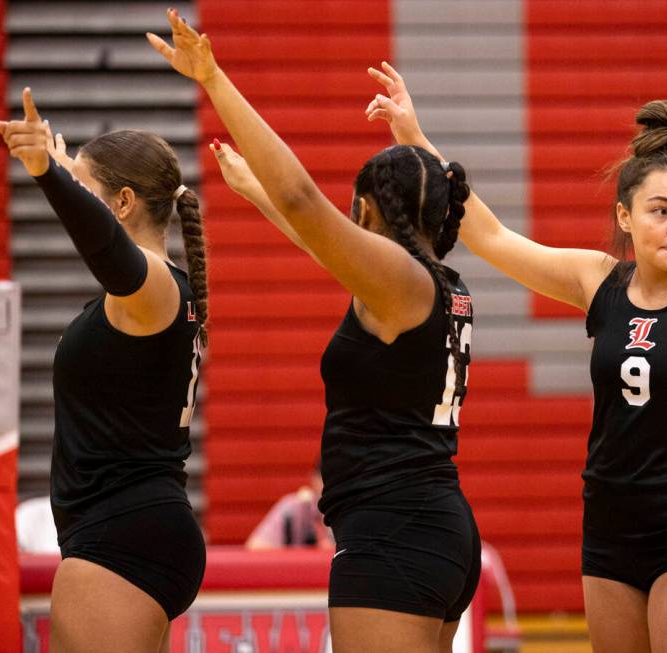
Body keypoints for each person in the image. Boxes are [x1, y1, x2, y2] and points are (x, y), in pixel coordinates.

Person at [365, 63, 667, 652]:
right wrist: (414, 136)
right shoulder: (600, 282)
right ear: (625, 215)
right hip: (610, 532)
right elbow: (490, 236)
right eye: (661, 210)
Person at [148, 11, 480, 653]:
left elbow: (307, 205)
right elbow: (319, 237)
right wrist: (257, 198)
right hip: (429, 524)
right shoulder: (440, 284)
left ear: (364, 210)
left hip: (395, 535)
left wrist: (214, 79)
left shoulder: (402, 278)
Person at [0, 89, 207, 652]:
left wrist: (46, 172)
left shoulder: (154, 286)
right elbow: (104, 232)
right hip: (134, 530)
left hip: (122, 539)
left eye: (87, 191)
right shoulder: (150, 296)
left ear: (123, 203)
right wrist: (62, 165)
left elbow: (105, 246)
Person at [245, 460, 334, 550]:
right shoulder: (293, 508)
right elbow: (255, 546)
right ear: (313, 477)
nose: (331, 485)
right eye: (326, 477)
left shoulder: (346, 511)